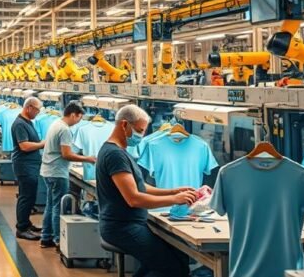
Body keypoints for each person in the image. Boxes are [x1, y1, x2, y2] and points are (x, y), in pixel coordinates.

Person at [97, 105, 197, 277]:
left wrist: (173, 191)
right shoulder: (115, 155)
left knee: (179, 257)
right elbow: (134, 199)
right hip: (122, 228)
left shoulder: (120, 152)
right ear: (124, 125)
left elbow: (140, 186)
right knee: (173, 268)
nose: (141, 135)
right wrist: (175, 199)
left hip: (129, 224)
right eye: (139, 130)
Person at [39, 101, 96, 249]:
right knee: (58, 206)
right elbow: (66, 154)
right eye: (79, 118)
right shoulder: (64, 130)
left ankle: (46, 237)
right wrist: (87, 158)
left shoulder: (55, 123)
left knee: (51, 205)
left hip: (48, 170)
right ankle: (58, 240)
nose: (79, 122)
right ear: (72, 114)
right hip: (57, 172)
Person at [12, 97, 46, 240]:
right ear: (29, 108)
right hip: (24, 165)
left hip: (30, 165)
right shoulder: (20, 124)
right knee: (25, 196)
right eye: (37, 110)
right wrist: (42, 144)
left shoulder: (27, 122)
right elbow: (24, 146)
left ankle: (26, 223)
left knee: (30, 195)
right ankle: (22, 228)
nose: (38, 113)